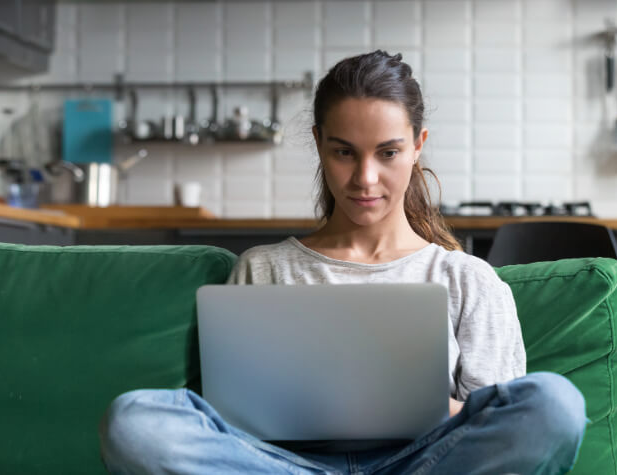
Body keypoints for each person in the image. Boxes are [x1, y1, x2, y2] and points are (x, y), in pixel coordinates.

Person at [99, 50, 587, 475]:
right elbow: (233, 422)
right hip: (284, 466)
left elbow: (501, 430)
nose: (365, 178)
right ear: (319, 144)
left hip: (424, 464)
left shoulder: (465, 279)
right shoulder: (263, 270)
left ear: (417, 147)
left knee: (554, 404)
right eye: (344, 153)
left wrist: (418, 407)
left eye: (388, 152)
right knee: (135, 421)